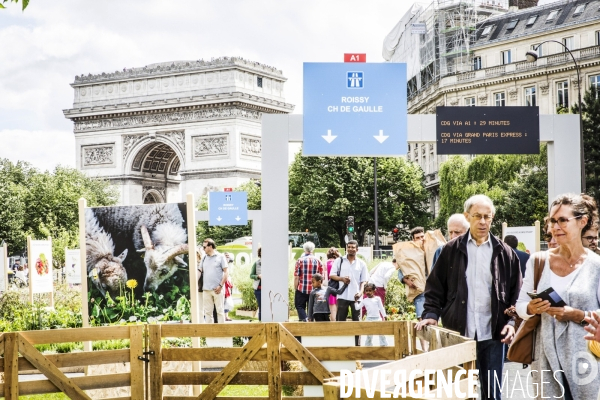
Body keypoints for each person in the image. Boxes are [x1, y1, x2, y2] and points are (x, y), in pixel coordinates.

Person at [418, 194, 522, 400]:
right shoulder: (450, 250)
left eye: (487, 216)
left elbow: (516, 294)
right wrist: (431, 313)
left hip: (493, 334)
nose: (483, 221)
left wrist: (512, 321)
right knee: (458, 392)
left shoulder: (506, 253)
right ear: (468, 216)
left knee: (492, 393)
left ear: (492, 218)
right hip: (458, 332)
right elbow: (435, 287)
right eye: (477, 216)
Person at [516, 193, 600, 399]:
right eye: (553, 221)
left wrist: (577, 314)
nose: (556, 226)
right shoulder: (538, 261)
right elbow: (520, 306)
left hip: (585, 358)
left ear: (583, 221)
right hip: (546, 357)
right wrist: (531, 308)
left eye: (563, 220)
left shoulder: (596, 265)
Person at [329, 240, 369, 346]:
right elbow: (331, 275)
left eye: (353, 247)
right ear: (346, 248)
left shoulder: (361, 263)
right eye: (349, 247)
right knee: (340, 321)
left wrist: (361, 292)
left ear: (357, 249)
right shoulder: (339, 261)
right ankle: (341, 343)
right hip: (342, 295)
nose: (351, 249)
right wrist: (342, 278)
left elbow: (364, 280)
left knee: (357, 322)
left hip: (356, 296)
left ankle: (357, 345)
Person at [397, 227, 427, 321]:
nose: (421, 239)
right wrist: (406, 280)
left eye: (422, 236)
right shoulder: (409, 253)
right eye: (417, 238)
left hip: (432, 286)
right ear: (413, 240)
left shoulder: (430, 250)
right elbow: (401, 269)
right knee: (421, 315)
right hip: (418, 288)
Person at [198, 238, 228, 324]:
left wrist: (220, 286)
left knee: (220, 311)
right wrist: (194, 283)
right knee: (208, 313)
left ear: (210, 246)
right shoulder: (204, 258)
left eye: (204, 247)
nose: (203, 249)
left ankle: (222, 332)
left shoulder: (221, 257)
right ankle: (210, 333)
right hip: (206, 290)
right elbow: (199, 271)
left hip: (217, 290)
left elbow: (226, 273)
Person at [293, 242, 323, 322]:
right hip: (314, 289)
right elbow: (321, 277)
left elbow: (296, 276)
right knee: (312, 307)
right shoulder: (318, 261)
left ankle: (304, 320)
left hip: (302, 288)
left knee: (299, 306)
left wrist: (296, 287)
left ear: (304, 249)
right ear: (313, 249)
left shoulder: (300, 261)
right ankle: (310, 322)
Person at [325, 247, 341, 321]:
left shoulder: (326, 263)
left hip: (330, 286)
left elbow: (325, 277)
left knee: (332, 307)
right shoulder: (339, 262)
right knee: (338, 306)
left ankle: (333, 322)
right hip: (339, 285)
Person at [250, 247, 262, 321]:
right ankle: (261, 322)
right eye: (261, 252)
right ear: (259, 253)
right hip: (259, 290)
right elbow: (251, 275)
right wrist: (258, 276)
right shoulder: (256, 263)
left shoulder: (271, 263)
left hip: (269, 289)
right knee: (261, 307)